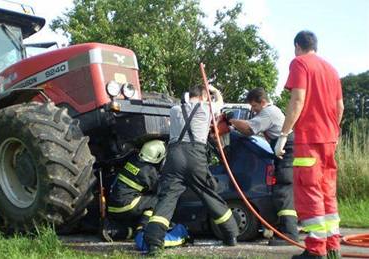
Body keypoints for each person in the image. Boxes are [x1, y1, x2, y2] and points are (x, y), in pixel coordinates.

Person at [143, 85, 239, 256]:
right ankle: (230, 235)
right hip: (196, 155)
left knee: (167, 198)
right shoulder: (206, 107)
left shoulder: (173, 110)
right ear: (204, 96)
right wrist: (214, 90)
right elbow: (220, 102)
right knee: (208, 194)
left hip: (174, 157)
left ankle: (154, 244)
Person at [275, 31, 344, 259]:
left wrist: (284, 134)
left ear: (297, 46)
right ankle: (332, 246)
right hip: (329, 140)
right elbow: (340, 107)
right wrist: (333, 130)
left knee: (309, 190)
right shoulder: (331, 70)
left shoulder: (300, 63)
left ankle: (315, 250)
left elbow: (297, 100)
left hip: (309, 140)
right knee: (327, 192)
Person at [229, 87, 299, 246]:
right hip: (286, 151)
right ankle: (285, 229)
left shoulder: (268, 113)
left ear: (262, 102)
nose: (253, 110)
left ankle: (289, 234)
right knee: (283, 191)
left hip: (288, 151)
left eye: (254, 106)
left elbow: (248, 129)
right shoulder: (271, 112)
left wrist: (231, 121)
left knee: (283, 190)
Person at [103, 140, 166, 241]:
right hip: (127, 205)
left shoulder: (133, 160)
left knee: (132, 223)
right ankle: (143, 229)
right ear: (158, 156)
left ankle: (117, 232)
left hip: (113, 207)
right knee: (156, 201)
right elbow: (160, 190)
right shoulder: (149, 172)